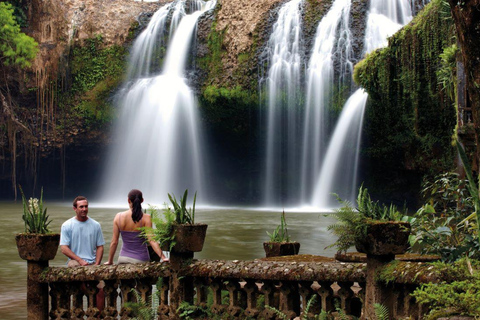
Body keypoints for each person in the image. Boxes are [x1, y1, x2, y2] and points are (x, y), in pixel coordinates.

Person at [104, 189, 168, 265]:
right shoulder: (146, 218)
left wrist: (110, 261)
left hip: (123, 258)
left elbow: (114, 242)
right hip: (141, 260)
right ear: (142, 200)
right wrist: (163, 257)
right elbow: (151, 240)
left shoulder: (118, 217)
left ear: (128, 200)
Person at [60, 196, 105, 266]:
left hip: (92, 262)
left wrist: (97, 264)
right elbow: (64, 248)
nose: (84, 209)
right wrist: (80, 260)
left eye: (86, 206)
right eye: (81, 207)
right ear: (74, 208)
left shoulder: (96, 225)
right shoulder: (67, 225)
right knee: (74, 265)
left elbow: (100, 246)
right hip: (74, 261)